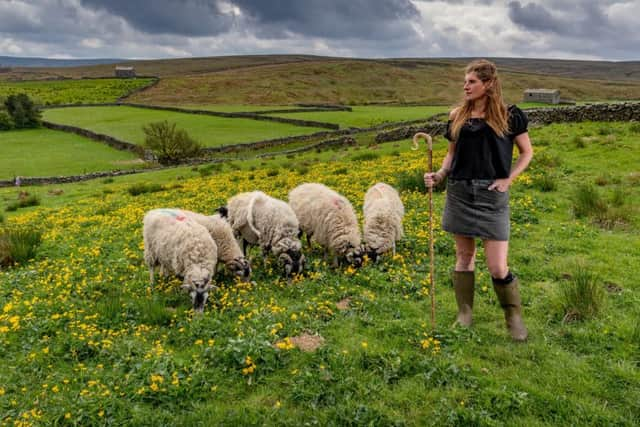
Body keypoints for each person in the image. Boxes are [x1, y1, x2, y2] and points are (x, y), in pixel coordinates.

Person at [424, 59, 533, 341]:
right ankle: (465, 314)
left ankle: (513, 318)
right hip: (460, 192)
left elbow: (526, 153)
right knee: (464, 257)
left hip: (491, 195)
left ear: (488, 84)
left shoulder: (510, 116)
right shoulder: (457, 114)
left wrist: (508, 179)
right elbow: (451, 153)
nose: (465, 86)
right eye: (465, 81)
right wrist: (439, 174)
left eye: (471, 81)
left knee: (497, 266)